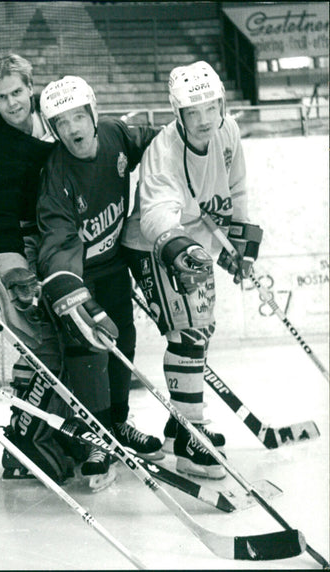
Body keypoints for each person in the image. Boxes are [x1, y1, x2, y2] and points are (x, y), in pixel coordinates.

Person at [122, 61, 256, 479]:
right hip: (154, 247)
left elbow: (236, 189)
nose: (202, 120)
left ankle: (179, 430)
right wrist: (180, 247)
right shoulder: (163, 152)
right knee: (187, 335)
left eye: (208, 108)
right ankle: (190, 436)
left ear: (222, 104)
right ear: (177, 114)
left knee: (201, 331)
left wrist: (241, 248)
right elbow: (156, 212)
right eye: (190, 112)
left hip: (195, 244)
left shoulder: (228, 131)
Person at [36, 75, 163, 480]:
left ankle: (118, 422)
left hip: (113, 265)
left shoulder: (115, 134)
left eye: (78, 116)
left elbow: (164, 143)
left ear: (93, 113)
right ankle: (97, 435)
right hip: (80, 275)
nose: (72, 128)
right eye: (61, 122)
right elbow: (56, 239)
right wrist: (73, 293)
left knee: (123, 336)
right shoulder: (56, 175)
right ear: (53, 130)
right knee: (89, 350)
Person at [0, 54, 78, 485]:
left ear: (30, 87)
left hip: (36, 245)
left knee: (44, 344)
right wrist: (15, 271)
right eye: (1, 97)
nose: (12, 103)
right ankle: (28, 438)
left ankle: (25, 432)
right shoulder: (1, 143)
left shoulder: (46, 124)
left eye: (17, 92)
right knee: (43, 343)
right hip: (6, 251)